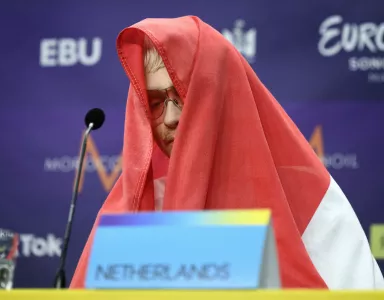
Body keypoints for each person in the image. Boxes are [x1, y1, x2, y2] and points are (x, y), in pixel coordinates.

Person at [70, 15, 384, 289]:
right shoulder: (130, 207)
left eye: (183, 97)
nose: (170, 117)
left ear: (220, 96)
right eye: (154, 103)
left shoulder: (310, 203)